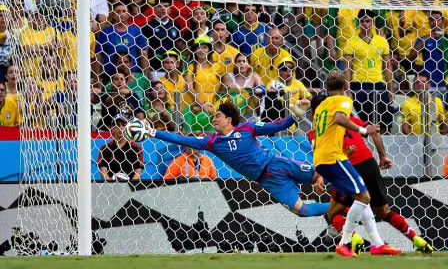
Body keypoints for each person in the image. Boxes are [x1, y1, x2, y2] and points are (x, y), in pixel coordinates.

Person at [144, 99, 329, 217]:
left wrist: (294, 116)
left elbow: (276, 126)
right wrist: (153, 132)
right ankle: (342, 207)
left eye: (218, 116)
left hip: (276, 162)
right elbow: (181, 138)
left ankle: (353, 197)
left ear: (229, 119)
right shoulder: (212, 142)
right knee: (303, 211)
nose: (213, 120)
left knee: (323, 174)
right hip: (267, 180)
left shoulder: (248, 128)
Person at [308, 94, 433, 255]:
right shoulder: (350, 119)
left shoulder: (316, 131)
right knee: (383, 211)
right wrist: (382, 156)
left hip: (348, 166)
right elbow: (374, 132)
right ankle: (414, 238)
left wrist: (320, 177)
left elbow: (323, 153)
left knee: (334, 213)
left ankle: (351, 239)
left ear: (313, 112)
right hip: (369, 164)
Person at [312, 70, 402, 257]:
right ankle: (344, 242)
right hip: (333, 157)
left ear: (327, 88)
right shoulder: (343, 101)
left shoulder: (321, 107)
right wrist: (364, 130)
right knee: (364, 198)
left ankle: (377, 243)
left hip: (322, 158)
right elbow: (339, 118)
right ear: (345, 87)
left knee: (363, 199)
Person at [97, 115, 144, 181]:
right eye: (117, 125)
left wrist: (131, 185)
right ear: (112, 128)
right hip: (110, 187)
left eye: (123, 125)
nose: (120, 128)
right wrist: (111, 186)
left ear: (128, 128)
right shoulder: (105, 148)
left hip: (131, 187)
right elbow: (103, 171)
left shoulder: (136, 148)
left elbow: (138, 171)